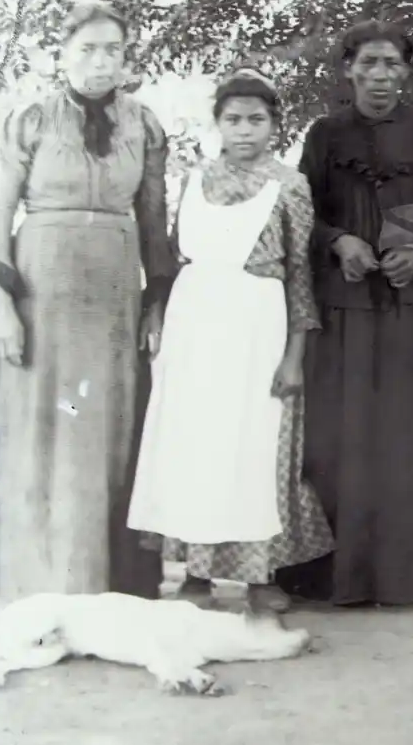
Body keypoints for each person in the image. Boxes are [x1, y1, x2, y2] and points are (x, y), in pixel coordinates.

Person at [274, 20, 413, 606]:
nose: (380, 76)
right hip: (348, 301)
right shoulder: (325, 135)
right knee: (345, 427)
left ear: (406, 72)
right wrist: (339, 241)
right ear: (348, 70)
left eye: (392, 65)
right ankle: (337, 570)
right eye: (368, 63)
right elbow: (304, 211)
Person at [0, 0, 174, 600]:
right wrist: (2, 302)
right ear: (62, 55)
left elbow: (154, 221)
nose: (101, 62)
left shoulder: (145, 125)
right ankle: (34, 578)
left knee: (103, 425)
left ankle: (105, 580)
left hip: (110, 296)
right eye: (88, 49)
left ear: (127, 57)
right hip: (41, 288)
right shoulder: (29, 119)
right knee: (43, 428)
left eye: (113, 50)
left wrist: (157, 301)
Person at [127, 67, 334, 614]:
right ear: (217, 123)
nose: (245, 130)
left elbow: (300, 275)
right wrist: (159, 316)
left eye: (256, 120)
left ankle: (259, 573)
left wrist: (294, 354)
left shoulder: (289, 185)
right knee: (195, 449)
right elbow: (173, 257)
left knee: (254, 449)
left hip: (257, 328)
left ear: (274, 124)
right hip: (195, 327)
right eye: (233, 119)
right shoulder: (196, 179)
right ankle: (195, 573)